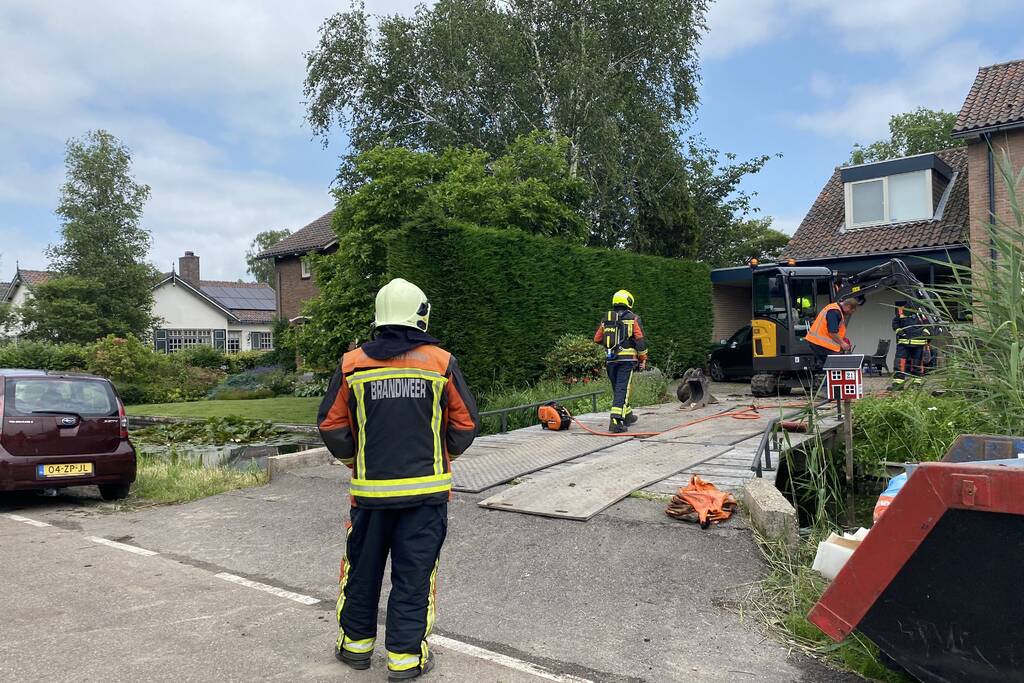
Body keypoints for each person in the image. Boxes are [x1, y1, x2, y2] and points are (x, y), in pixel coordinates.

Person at [318, 278, 480, 680]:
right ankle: (406, 659)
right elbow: (466, 425)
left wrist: (358, 461)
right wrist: (443, 458)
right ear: (420, 315)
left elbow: (331, 425)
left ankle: (355, 647)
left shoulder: (352, 363)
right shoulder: (441, 363)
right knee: (414, 575)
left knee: (362, 571)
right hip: (426, 498)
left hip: (369, 497)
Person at [593, 289, 649, 433]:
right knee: (622, 390)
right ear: (629, 301)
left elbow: (597, 339)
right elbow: (640, 341)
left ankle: (628, 415)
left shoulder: (607, 319)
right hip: (627, 360)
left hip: (611, 359)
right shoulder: (633, 318)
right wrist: (643, 358)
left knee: (618, 389)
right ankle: (616, 422)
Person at [805, 298, 858, 370]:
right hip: (819, 343)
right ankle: (831, 380)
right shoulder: (835, 312)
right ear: (848, 307)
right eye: (852, 311)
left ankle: (828, 379)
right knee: (835, 365)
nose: (851, 313)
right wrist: (843, 343)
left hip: (817, 342)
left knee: (832, 366)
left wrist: (842, 341)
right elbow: (832, 332)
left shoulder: (834, 308)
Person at [891, 303, 930, 389]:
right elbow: (895, 322)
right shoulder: (901, 310)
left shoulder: (922, 311)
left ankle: (915, 384)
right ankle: (898, 384)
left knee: (917, 364)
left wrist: (925, 333)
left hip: (918, 344)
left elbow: (929, 324)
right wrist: (898, 330)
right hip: (904, 343)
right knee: (899, 364)